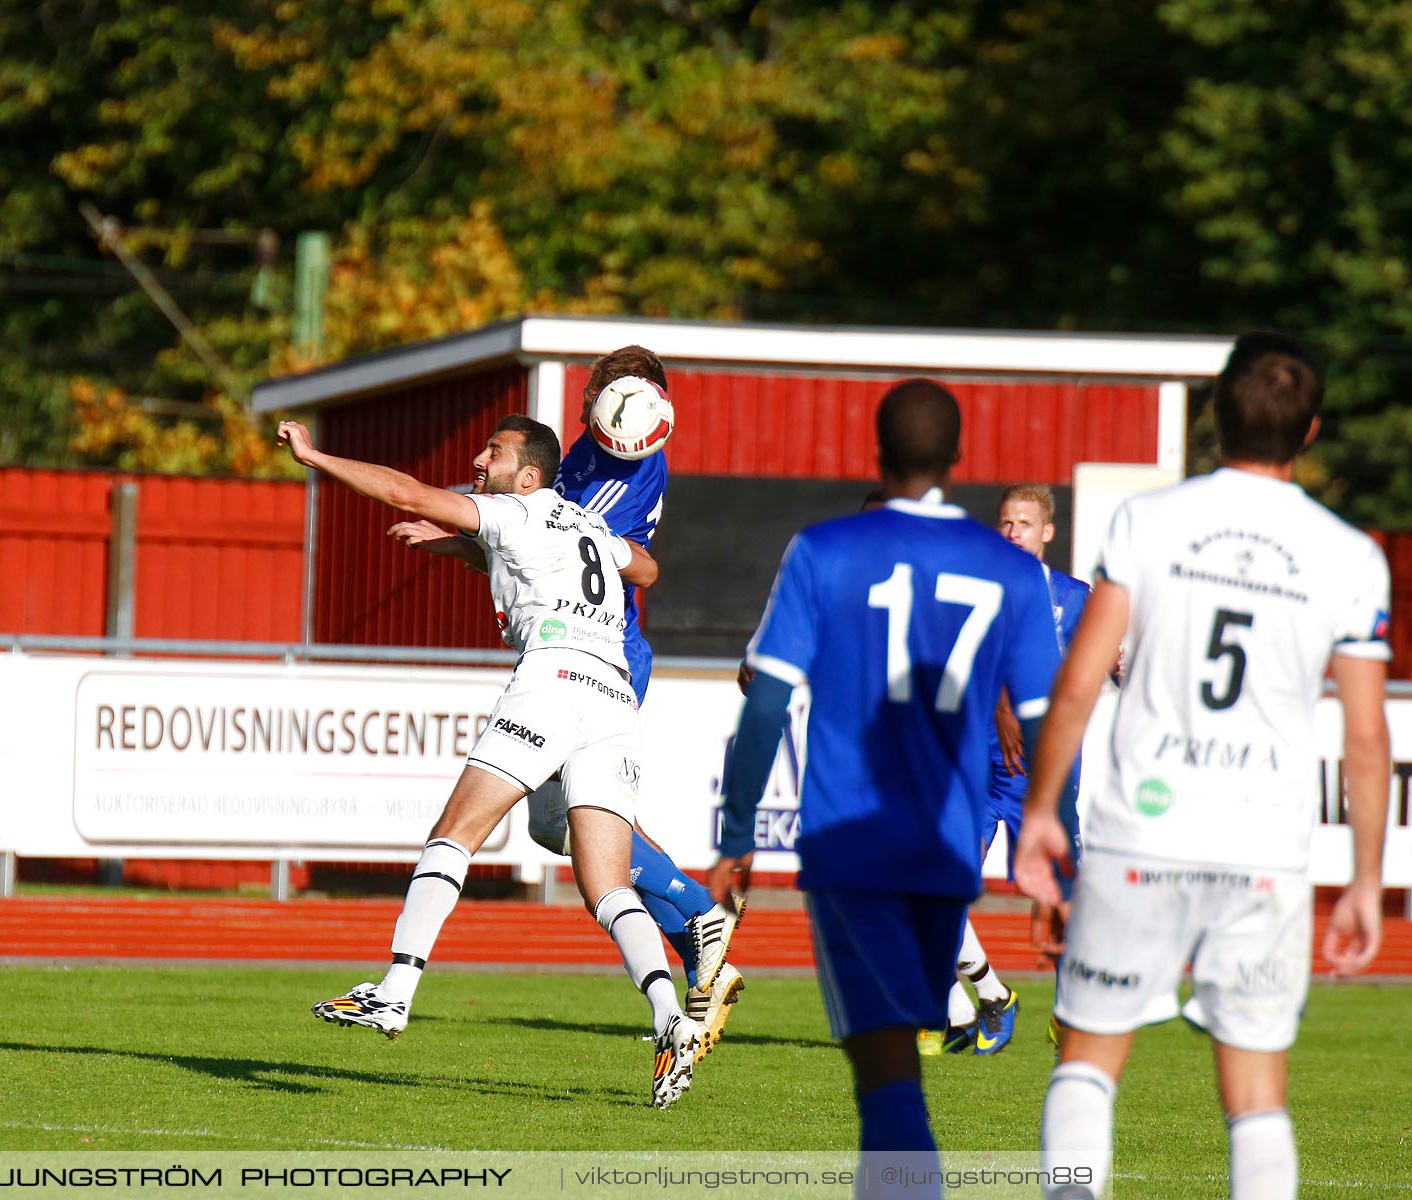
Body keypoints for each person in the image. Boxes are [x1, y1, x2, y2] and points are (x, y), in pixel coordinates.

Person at [1017, 331, 1390, 1200]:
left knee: (1088, 1058)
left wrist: (1042, 810)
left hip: (1140, 832)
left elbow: (1079, 679)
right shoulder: (1350, 555)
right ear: (1312, 431)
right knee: (1257, 1093)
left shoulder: (1149, 521)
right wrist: (1365, 879)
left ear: (1215, 418)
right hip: (1264, 849)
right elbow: (1367, 739)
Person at [282, 414, 706, 1108]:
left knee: (454, 835)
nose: (480, 459)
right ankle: (670, 1019)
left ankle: (395, 991)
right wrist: (462, 549)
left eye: (496, 453)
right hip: (613, 702)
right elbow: (648, 567)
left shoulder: (513, 510)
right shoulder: (585, 525)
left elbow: (406, 492)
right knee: (605, 887)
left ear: (529, 475)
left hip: (554, 682)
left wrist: (315, 456)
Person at [711, 380, 1065, 1179]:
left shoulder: (825, 550)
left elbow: (764, 706)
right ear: (957, 458)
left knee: (888, 1083)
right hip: (945, 844)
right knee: (900, 1064)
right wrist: (1054, 850)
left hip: (850, 844)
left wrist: (737, 836)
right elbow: (1048, 727)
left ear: (877, 452)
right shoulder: (1003, 568)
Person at [388, 346, 745, 1060]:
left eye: (592, 395)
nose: (581, 405)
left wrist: (458, 536)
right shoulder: (590, 450)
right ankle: (698, 936)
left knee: (570, 832)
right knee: (564, 830)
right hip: (586, 658)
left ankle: (701, 916)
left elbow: (546, 542)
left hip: (601, 658)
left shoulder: (625, 473)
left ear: (626, 407)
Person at [923, 484, 1091, 1057]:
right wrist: (996, 707)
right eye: (1005, 522)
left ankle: (1070, 1015)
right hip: (975, 765)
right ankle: (979, 1000)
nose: (1012, 531)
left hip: (1042, 774)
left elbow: (1099, 666)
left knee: (1067, 905)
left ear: (1048, 532)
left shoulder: (1075, 597)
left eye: (1024, 522)